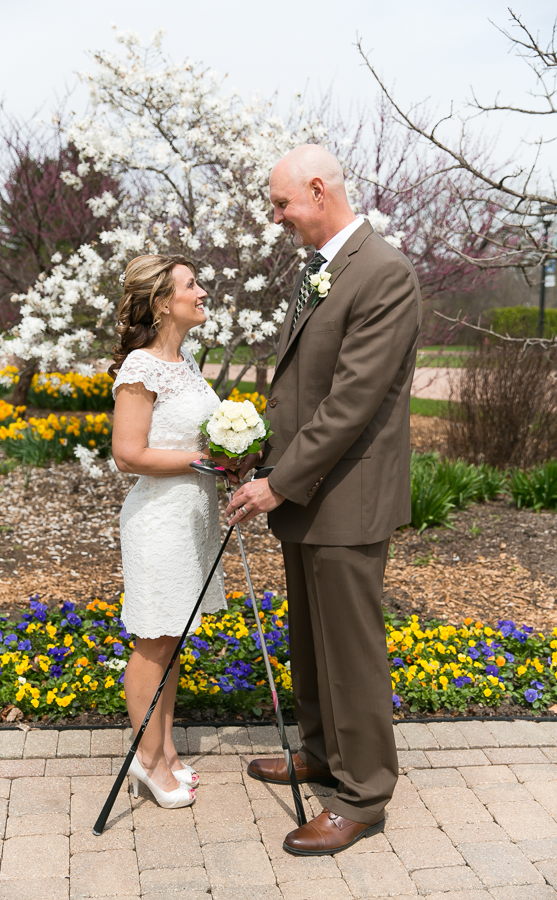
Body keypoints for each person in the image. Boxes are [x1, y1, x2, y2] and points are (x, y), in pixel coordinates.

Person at [226, 144, 422, 855]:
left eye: (281, 203)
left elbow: (350, 405)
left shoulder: (383, 272)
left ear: (316, 189)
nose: (276, 217)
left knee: (350, 651)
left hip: (348, 495)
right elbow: (300, 388)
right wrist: (252, 447)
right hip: (311, 493)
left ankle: (363, 794)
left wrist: (275, 484)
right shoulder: (325, 269)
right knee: (310, 642)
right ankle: (318, 749)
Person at [110, 253, 234, 809]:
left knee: (172, 638)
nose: (203, 291)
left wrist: (234, 452)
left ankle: (166, 749)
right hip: (158, 521)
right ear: (163, 302)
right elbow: (127, 454)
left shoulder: (184, 362)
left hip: (192, 520)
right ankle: (147, 759)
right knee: (154, 639)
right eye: (192, 284)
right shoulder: (141, 367)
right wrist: (200, 461)